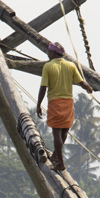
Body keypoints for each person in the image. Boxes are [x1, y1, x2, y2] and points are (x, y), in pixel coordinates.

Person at [36, 42, 93, 172]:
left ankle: (60, 163)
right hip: (68, 102)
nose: (48, 54)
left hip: (55, 102)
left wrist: (39, 104)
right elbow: (81, 82)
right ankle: (56, 156)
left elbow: (43, 87)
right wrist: (88, 88)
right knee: (64, 132)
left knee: (56, 133)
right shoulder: (70, 65)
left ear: (53, 53)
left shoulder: (48, 66)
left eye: (49, 52)